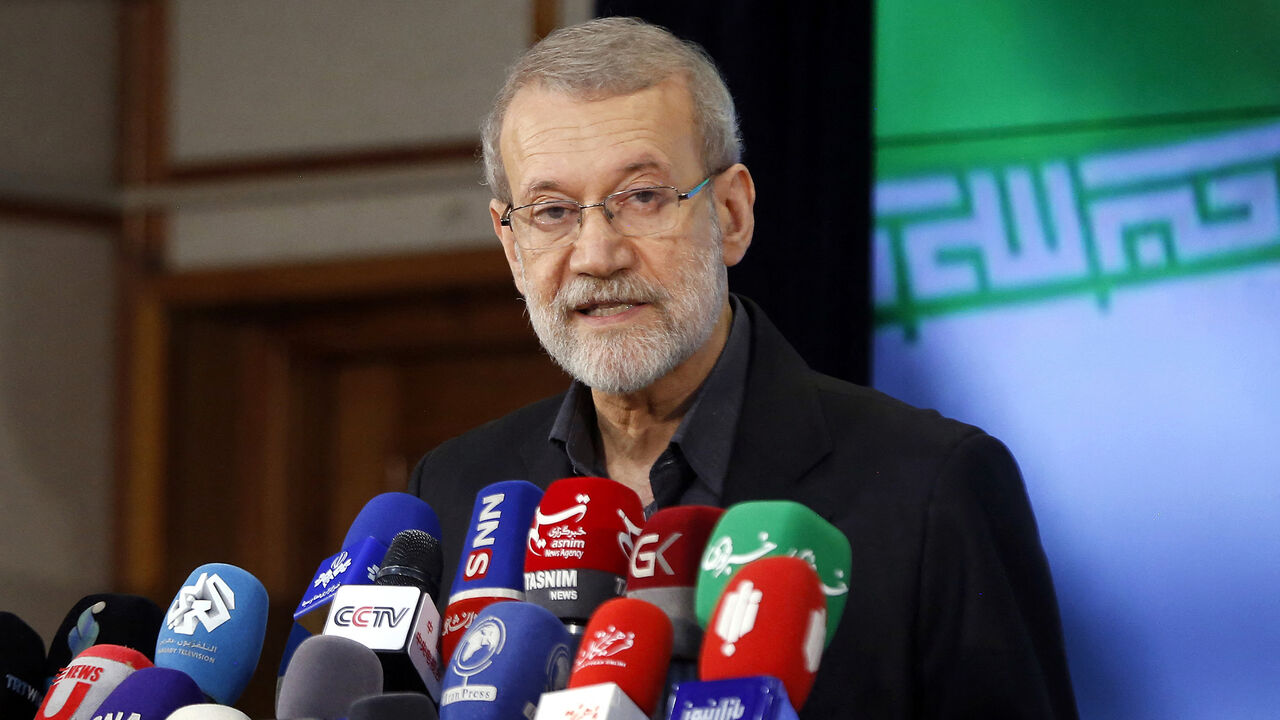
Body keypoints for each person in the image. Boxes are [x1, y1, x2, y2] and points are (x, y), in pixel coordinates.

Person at [409, 17, 1077, 718]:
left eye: (642, 197)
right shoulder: (456, 492)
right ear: (512, 247)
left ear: (731, 214)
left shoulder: (934, 488)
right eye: (551, 211)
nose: (597, 254)